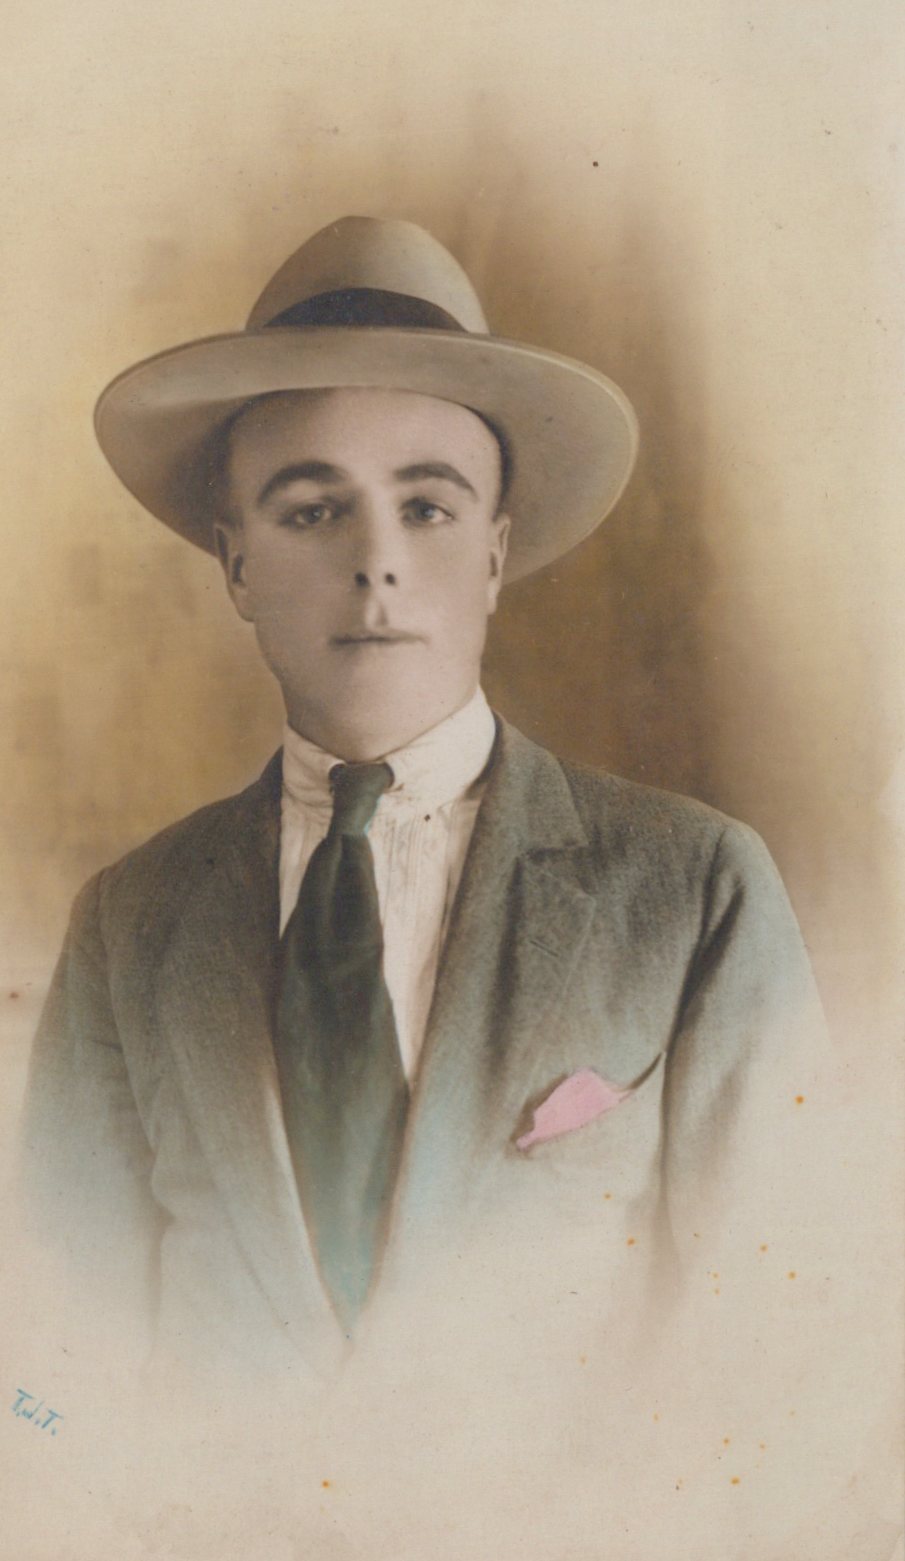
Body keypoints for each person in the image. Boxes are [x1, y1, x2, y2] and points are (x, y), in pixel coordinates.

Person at [20, 218, 830, 1433]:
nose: (377, 564)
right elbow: (52, 1379)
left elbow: (778, 1370)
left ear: (497, 554)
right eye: (309, 512)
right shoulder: (128, 928)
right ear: (234, 565)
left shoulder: (693, 888)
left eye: (429, 508)